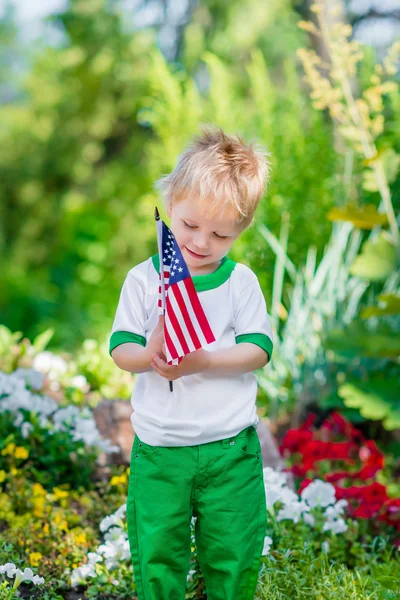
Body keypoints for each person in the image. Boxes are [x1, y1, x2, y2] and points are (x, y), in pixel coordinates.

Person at [109, 124, 274, 600]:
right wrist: (151, 353)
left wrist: (202, 361)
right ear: (171, 204)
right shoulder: (145, 281)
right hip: (162, 449)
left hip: (230, 448)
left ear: (240, 230)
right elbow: (122, 351)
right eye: (188, 226)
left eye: (221, 234)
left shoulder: (240, 283)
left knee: (234, 551)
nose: (201, 242)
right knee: (159, 550)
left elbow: (257, 350)